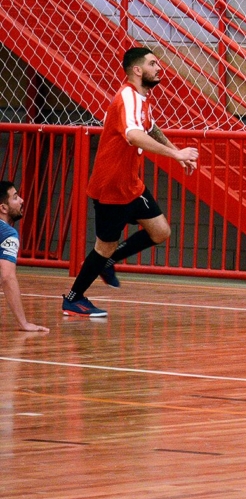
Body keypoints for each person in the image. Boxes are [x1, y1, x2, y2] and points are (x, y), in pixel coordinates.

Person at [61, 48, 200, 320]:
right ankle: (73, 298)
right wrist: (175, 154)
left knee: (160, 231)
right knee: (103, 247)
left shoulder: (142, 99)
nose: (159, 68)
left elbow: (151, 129)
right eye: (153, 64)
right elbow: (135, 136)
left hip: (131, 185)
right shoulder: (127, 96)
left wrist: (177, 152)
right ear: (137, 70)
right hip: (111, 187)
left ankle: (109, 262)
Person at [0, 182, 49, 332]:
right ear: (3, 208)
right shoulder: (8, 233)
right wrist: (23, 323)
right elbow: (7, 276)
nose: (21, 200)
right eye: (15, 198)